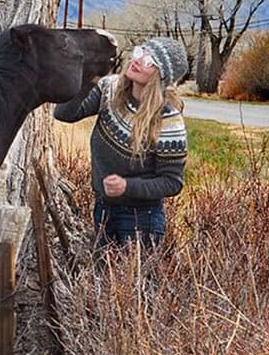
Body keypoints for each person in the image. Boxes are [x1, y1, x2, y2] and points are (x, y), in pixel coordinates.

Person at [54, 36, 189, 251]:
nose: (138, 60)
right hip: (103, 209)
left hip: (142, 220)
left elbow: (172, 182)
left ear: (161, 77)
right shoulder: (110, 88)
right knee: (100, 280)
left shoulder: (168, 122)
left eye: (149, 61)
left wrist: (127, 186)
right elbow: (64, 114)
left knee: (132, 284)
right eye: (141, 52)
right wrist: (86, 80)